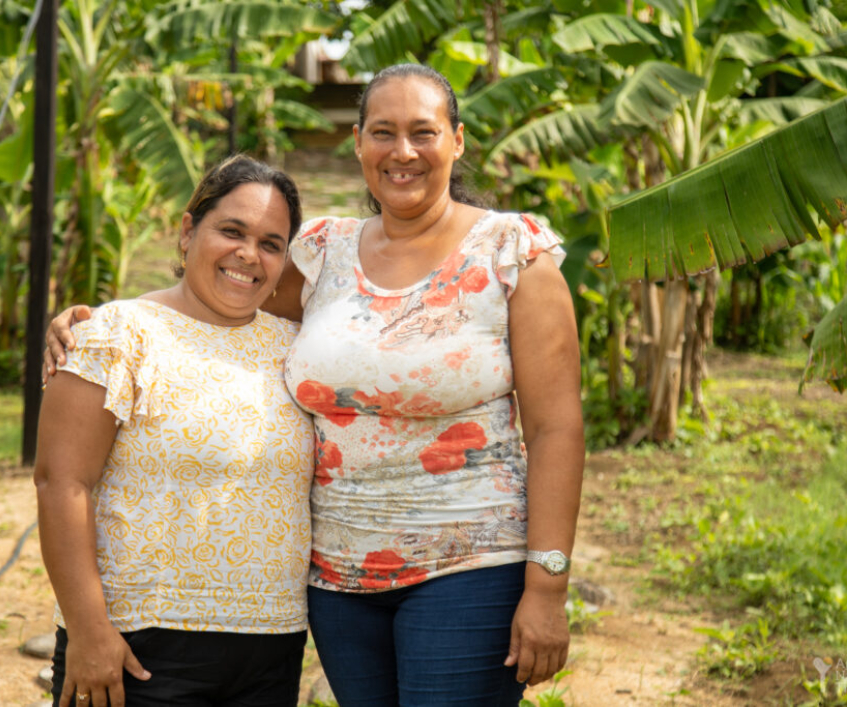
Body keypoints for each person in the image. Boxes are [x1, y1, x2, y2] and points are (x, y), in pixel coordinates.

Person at [46, 64, 584, 707]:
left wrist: (547, 586)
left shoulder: (509, 252)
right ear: (357, 142)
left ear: (458, 140)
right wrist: (100, 322)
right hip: (336, 584)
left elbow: (557, 428)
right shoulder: (325, 254)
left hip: (469, 566)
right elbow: (219, 300)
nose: (402, 151)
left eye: (424, 132)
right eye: (383, 132)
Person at [35, 155, 314, 707]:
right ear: (188, 232)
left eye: (270, 243)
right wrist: (90, 631)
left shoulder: (297, 349)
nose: (247, 255)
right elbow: (61, 484)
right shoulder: (118, 333)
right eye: (231, 231)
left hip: (272, 644)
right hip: (140, 648)